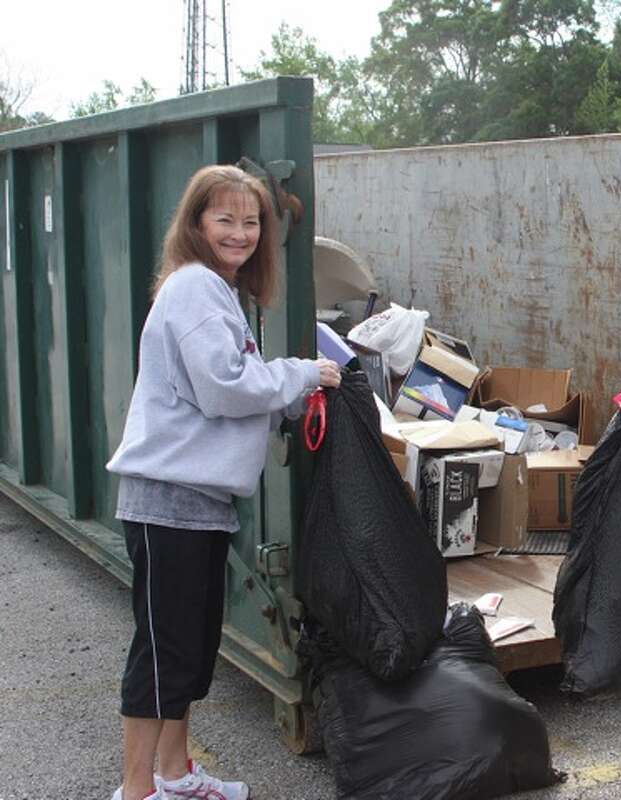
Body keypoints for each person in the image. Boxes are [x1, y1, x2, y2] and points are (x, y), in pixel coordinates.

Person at [105, 165, 341, 800]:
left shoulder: (217, 291)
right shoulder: (193, 289)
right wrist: (301, 375)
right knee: (162, 651)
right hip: (169, 502)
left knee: (189, 646)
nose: (240, 233)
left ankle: (176, 776)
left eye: (252, 221)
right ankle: (135, 792)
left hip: (199, 502)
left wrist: (291, 394)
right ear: (196, 224)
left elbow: (231, 384)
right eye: (225, 219)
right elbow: (224, 387)